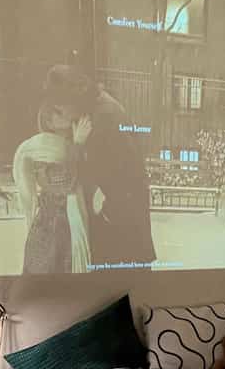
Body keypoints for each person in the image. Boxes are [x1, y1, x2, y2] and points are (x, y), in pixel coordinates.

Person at [43, 65, 156, 268]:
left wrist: (107, 214)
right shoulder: (95, 110)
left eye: (61, 108)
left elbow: (126, 175)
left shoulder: (104, 116)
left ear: (72, 98)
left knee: (120, 289)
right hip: (119, 228)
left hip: (120, 230)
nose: (63, 114)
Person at [12, 121, 91, 274]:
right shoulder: (46, 168)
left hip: (53, 231)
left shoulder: (48, 162)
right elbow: (68, 182)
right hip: (54, 234)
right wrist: (78, 144)